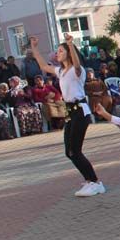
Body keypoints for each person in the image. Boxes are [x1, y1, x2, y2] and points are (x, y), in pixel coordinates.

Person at [29, 34, 105, 196]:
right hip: (70, 111)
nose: (58, 53)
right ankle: (89, 180)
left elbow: (77, 64)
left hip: (80, 110)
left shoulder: (78, 71)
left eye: (61, 50)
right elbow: (43, 66)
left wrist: (70, 44)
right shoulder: (61, 71)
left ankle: (96, 182)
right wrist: (34, 47)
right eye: (58, 51)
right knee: (69, 151)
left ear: (69, 53)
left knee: (75, 151)